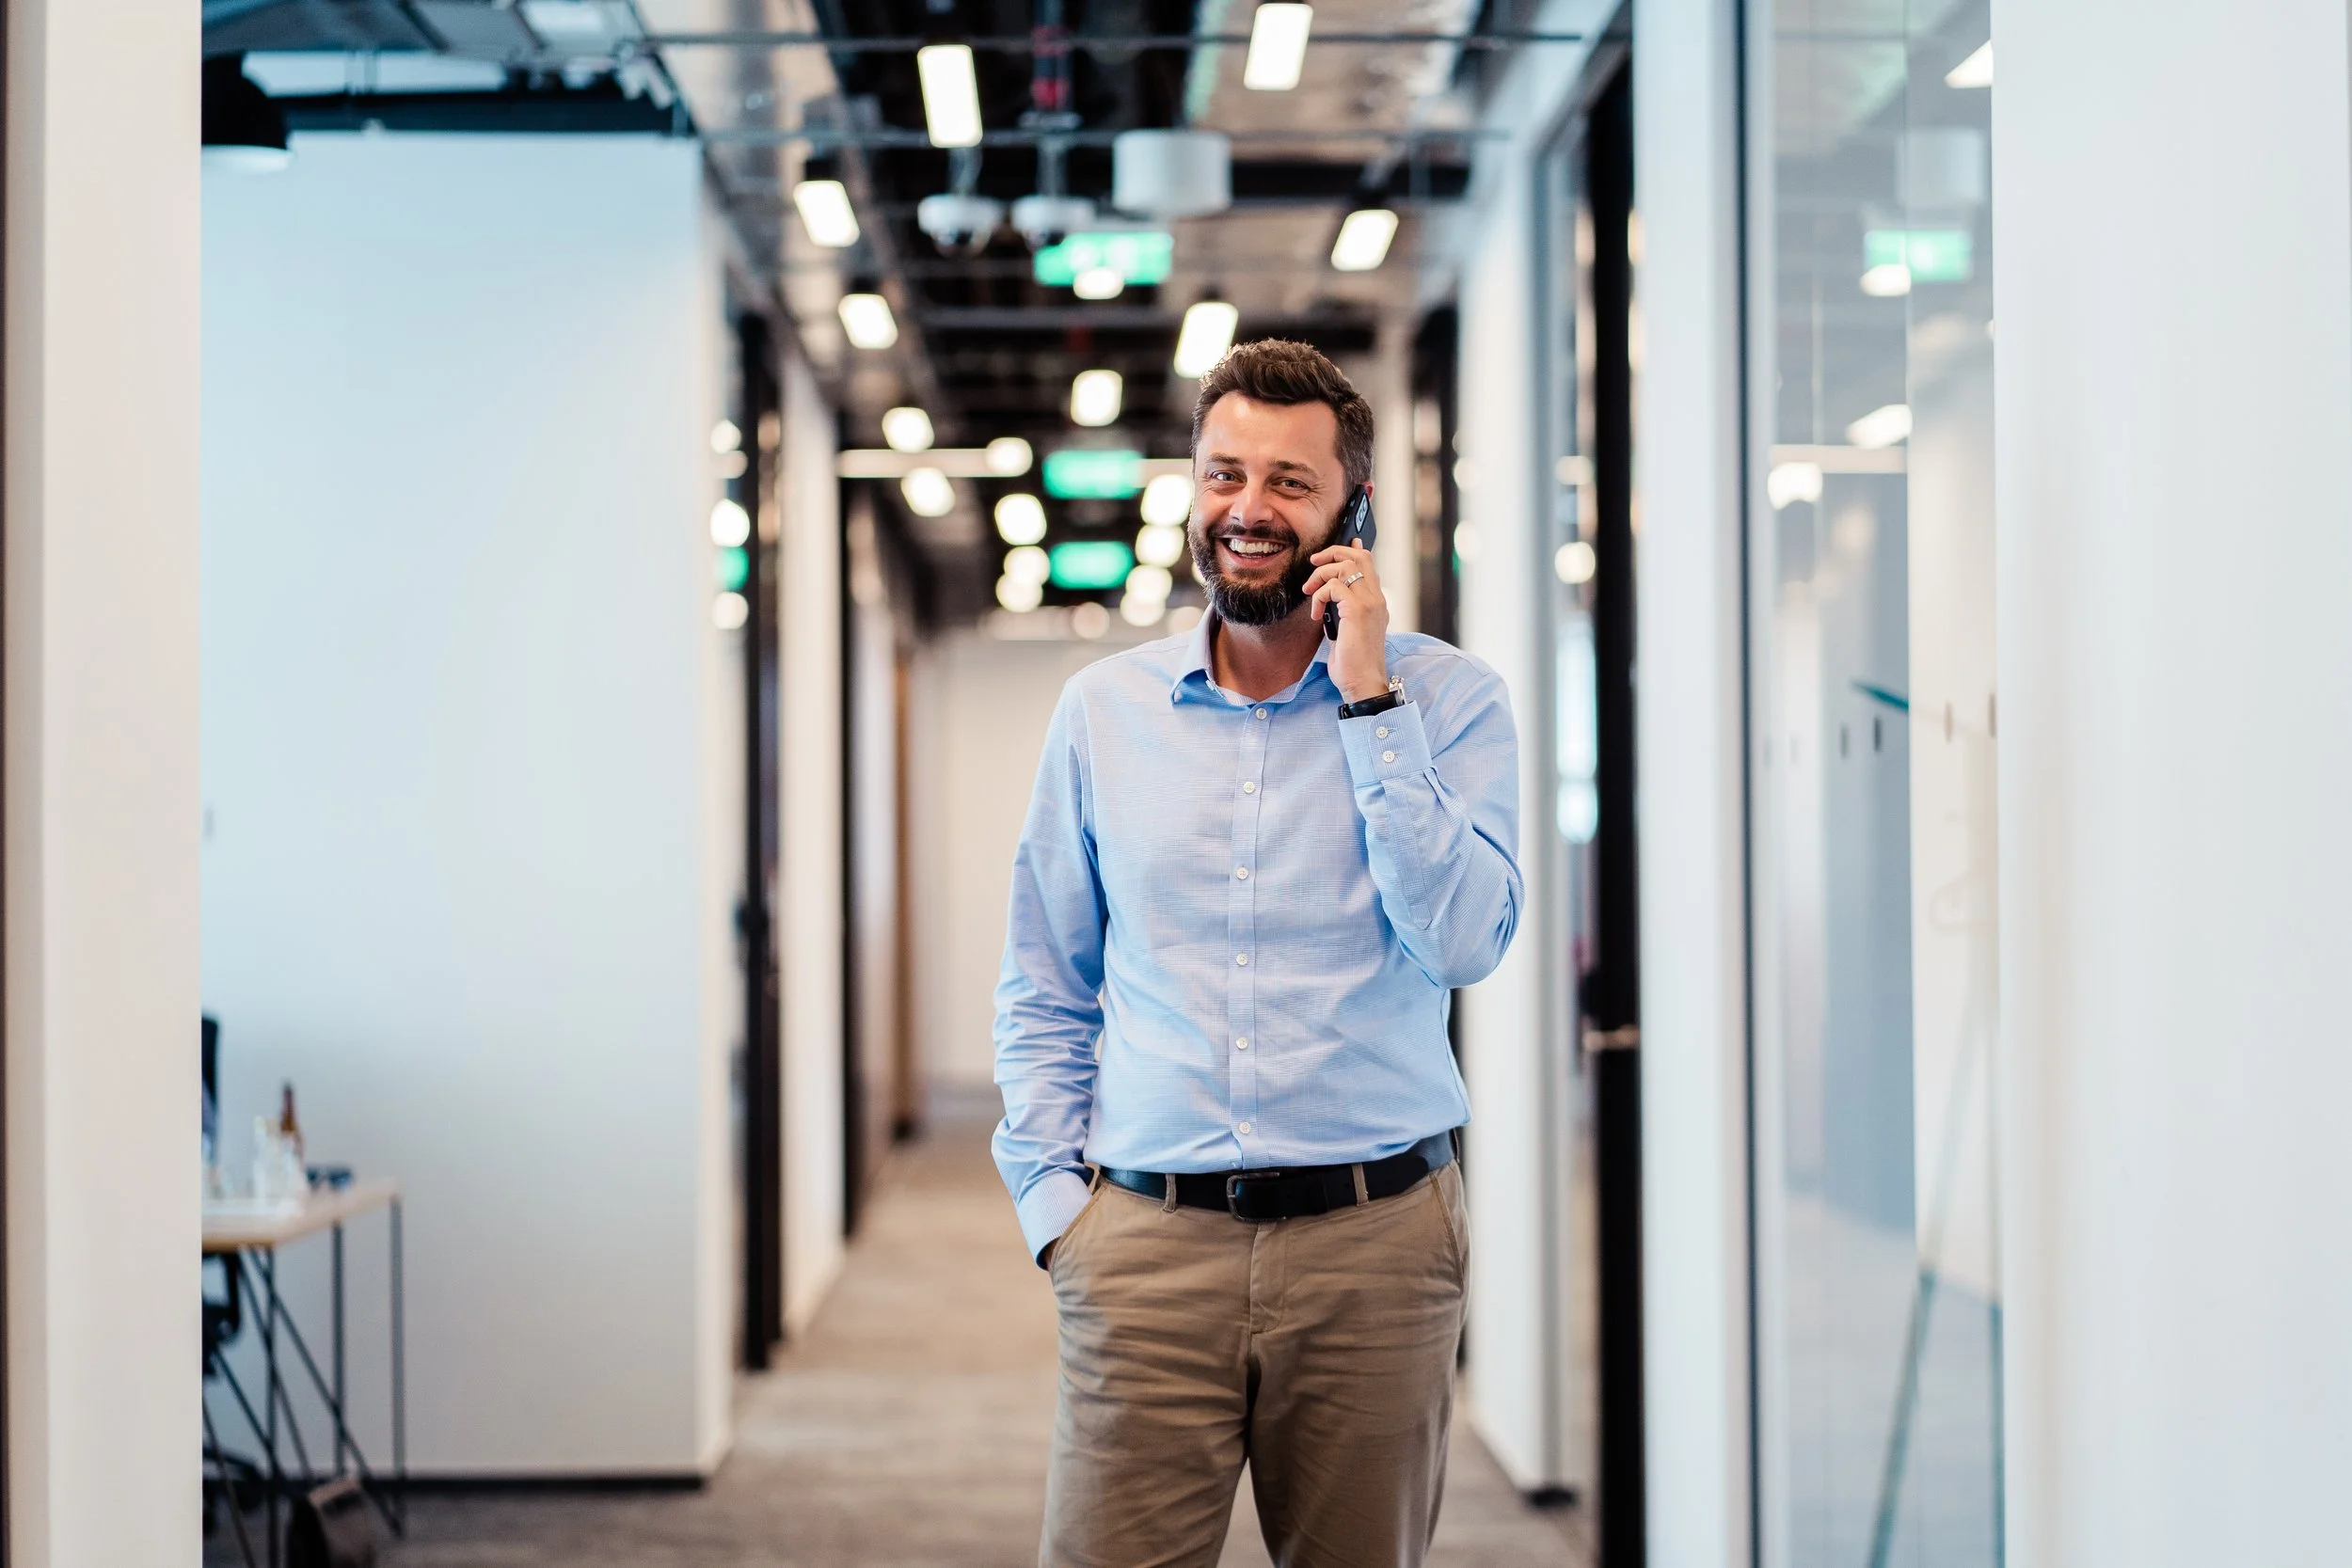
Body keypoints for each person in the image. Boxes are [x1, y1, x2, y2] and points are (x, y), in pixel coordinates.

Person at [992, 338, 1522, 1567]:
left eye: (1290, 481)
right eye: (1225, 474)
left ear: (1356, 511)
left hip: (1373, 1246)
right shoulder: (1104, 713)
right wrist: (1056, 1209)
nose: (1249, 509)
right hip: (1146, 1244)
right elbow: (1045, 978)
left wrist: (1372, 700)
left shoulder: (1454, 703)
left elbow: (1462, 942)